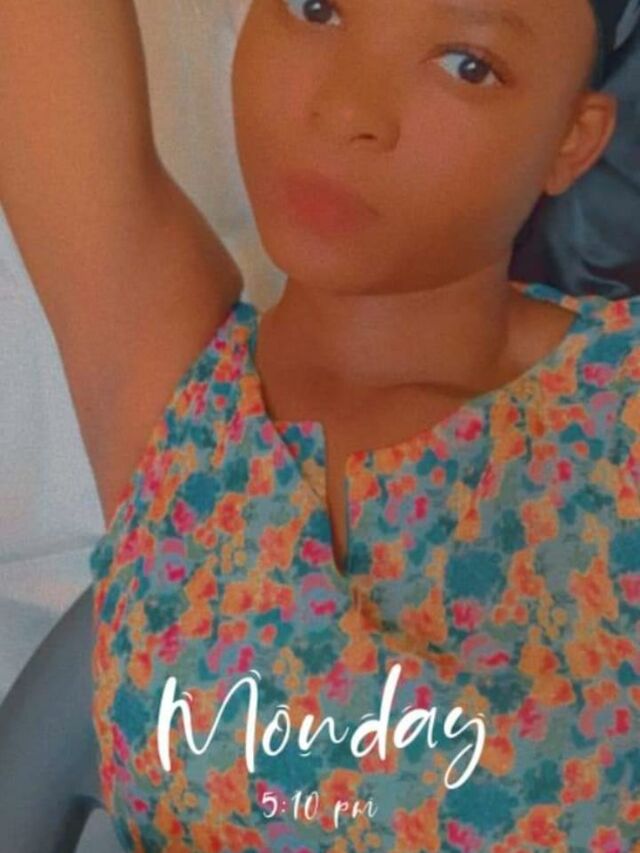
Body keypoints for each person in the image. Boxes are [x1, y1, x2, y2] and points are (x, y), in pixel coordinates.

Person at [2, 0, 639, 850]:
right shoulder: (186, 408)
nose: (346, 109)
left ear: (572, 140)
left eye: (468, 65)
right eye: (315, 6)